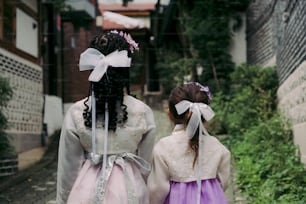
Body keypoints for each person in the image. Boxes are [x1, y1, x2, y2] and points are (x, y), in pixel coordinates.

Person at [56, 30, 156, 204]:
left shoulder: (76, 112)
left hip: (87, 193)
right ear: (125, 70)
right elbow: (146, 165)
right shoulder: (143, 111)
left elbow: (68, 168)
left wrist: (63, 199)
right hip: (131, 191)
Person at [147, 82, 231, 204]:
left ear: (170, 114)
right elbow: (223, 182)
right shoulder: (217, 146)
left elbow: (158, 188)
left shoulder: (164, 147)